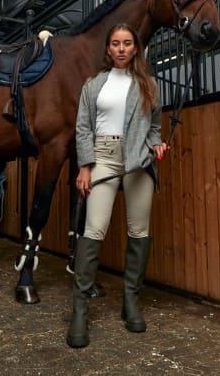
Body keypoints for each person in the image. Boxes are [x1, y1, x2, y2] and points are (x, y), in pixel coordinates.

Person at [67, 23, 169, 348]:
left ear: (135, 48)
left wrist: (156, 144)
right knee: (94, 228)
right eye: (115, 43)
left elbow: (154, 125)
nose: (122, 48)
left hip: (138, 159)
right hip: (102, 157)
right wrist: (85, 166)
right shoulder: (93, 85)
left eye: (127, 43)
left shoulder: (148, 85)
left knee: (139, 230)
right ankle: (80, 310)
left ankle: (130, 301)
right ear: (108, 49)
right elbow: (83, 127)